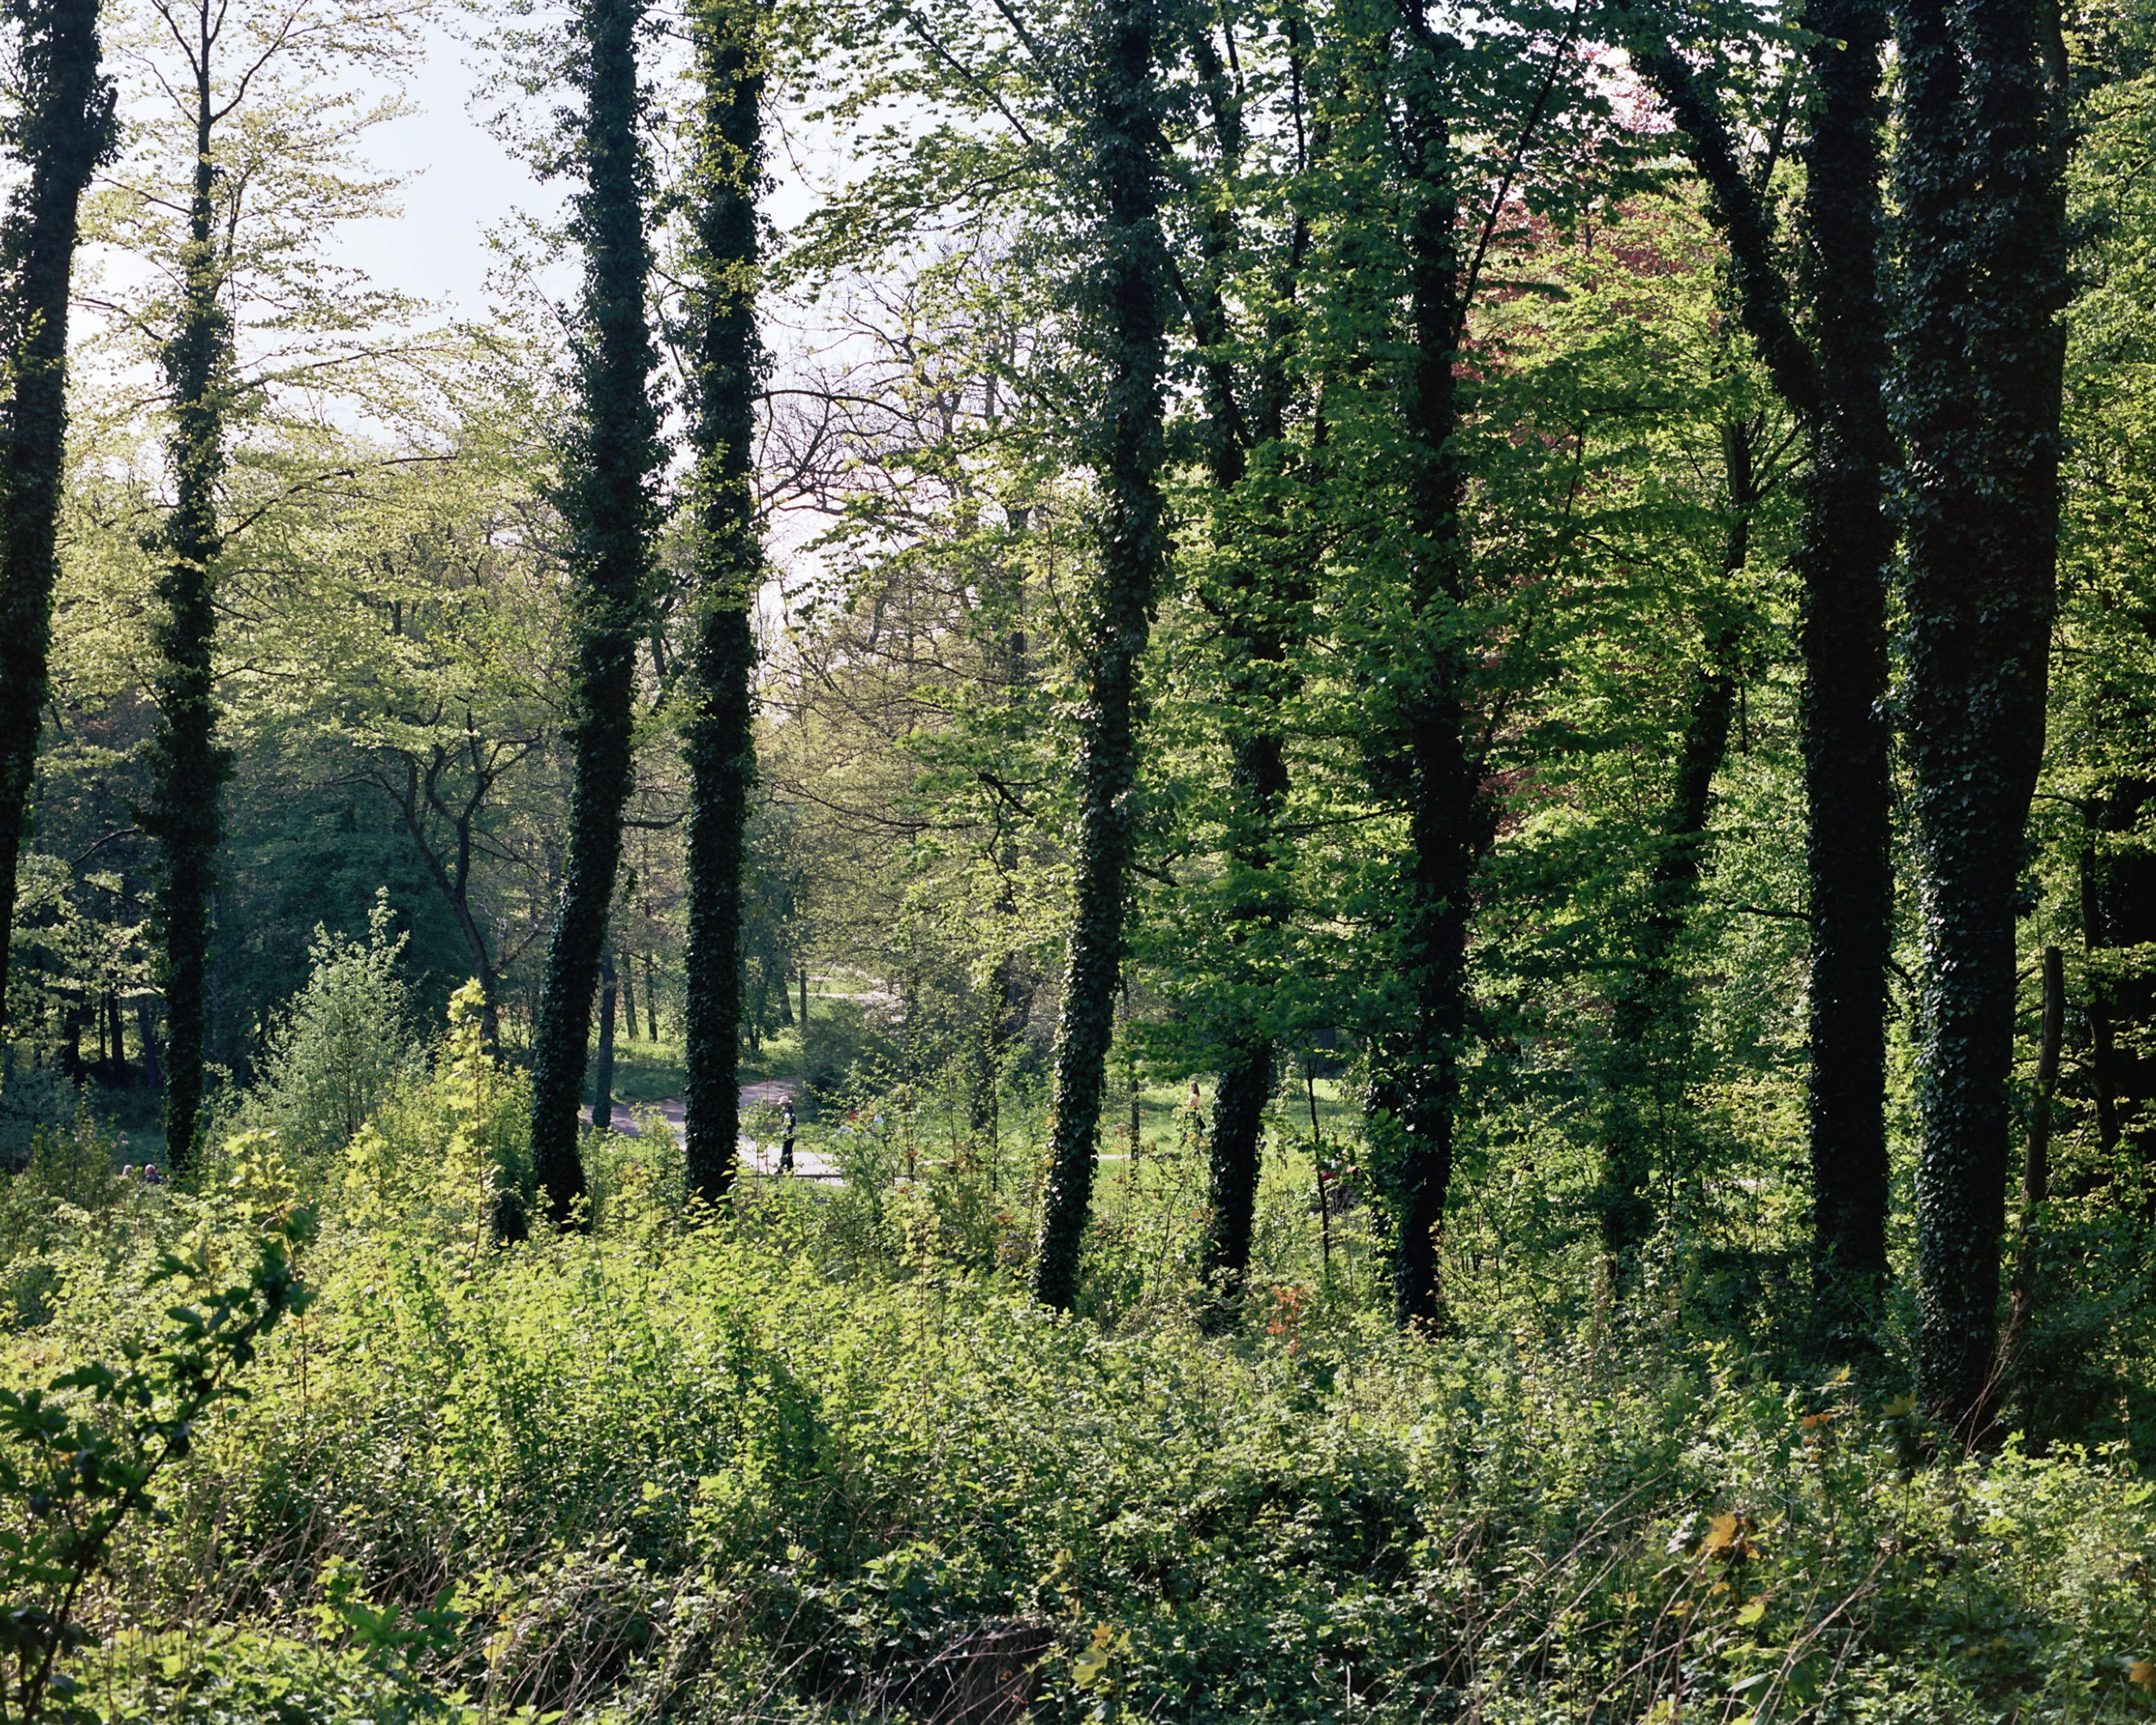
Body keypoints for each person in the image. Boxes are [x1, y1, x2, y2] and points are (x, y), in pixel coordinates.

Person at [779, 1098, 796, 1174]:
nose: (781, 1105)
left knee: (785, 1151)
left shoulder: (787, 1113)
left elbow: (787, 1123)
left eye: (782, 1104)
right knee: (788, 1152)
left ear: (785, 1104)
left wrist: (784, 1132)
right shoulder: (792, 1110)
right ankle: (789, 1169)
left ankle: (782, 1169)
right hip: (792, 1133)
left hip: (788, 1133)